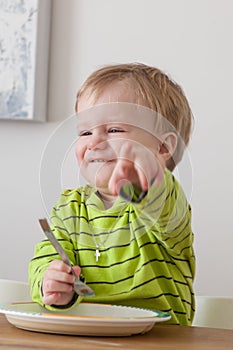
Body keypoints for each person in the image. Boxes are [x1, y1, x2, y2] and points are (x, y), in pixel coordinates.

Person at [29, 63, 195, 325]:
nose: (93, 142)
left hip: (160, 340)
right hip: (83, 334)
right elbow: (49, 253)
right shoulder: (69, 206)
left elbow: (161, 203)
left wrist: (147, 177)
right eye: (85, 132)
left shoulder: (165, 206)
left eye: (114, 130)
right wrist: (50, 281)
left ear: (163, 147)